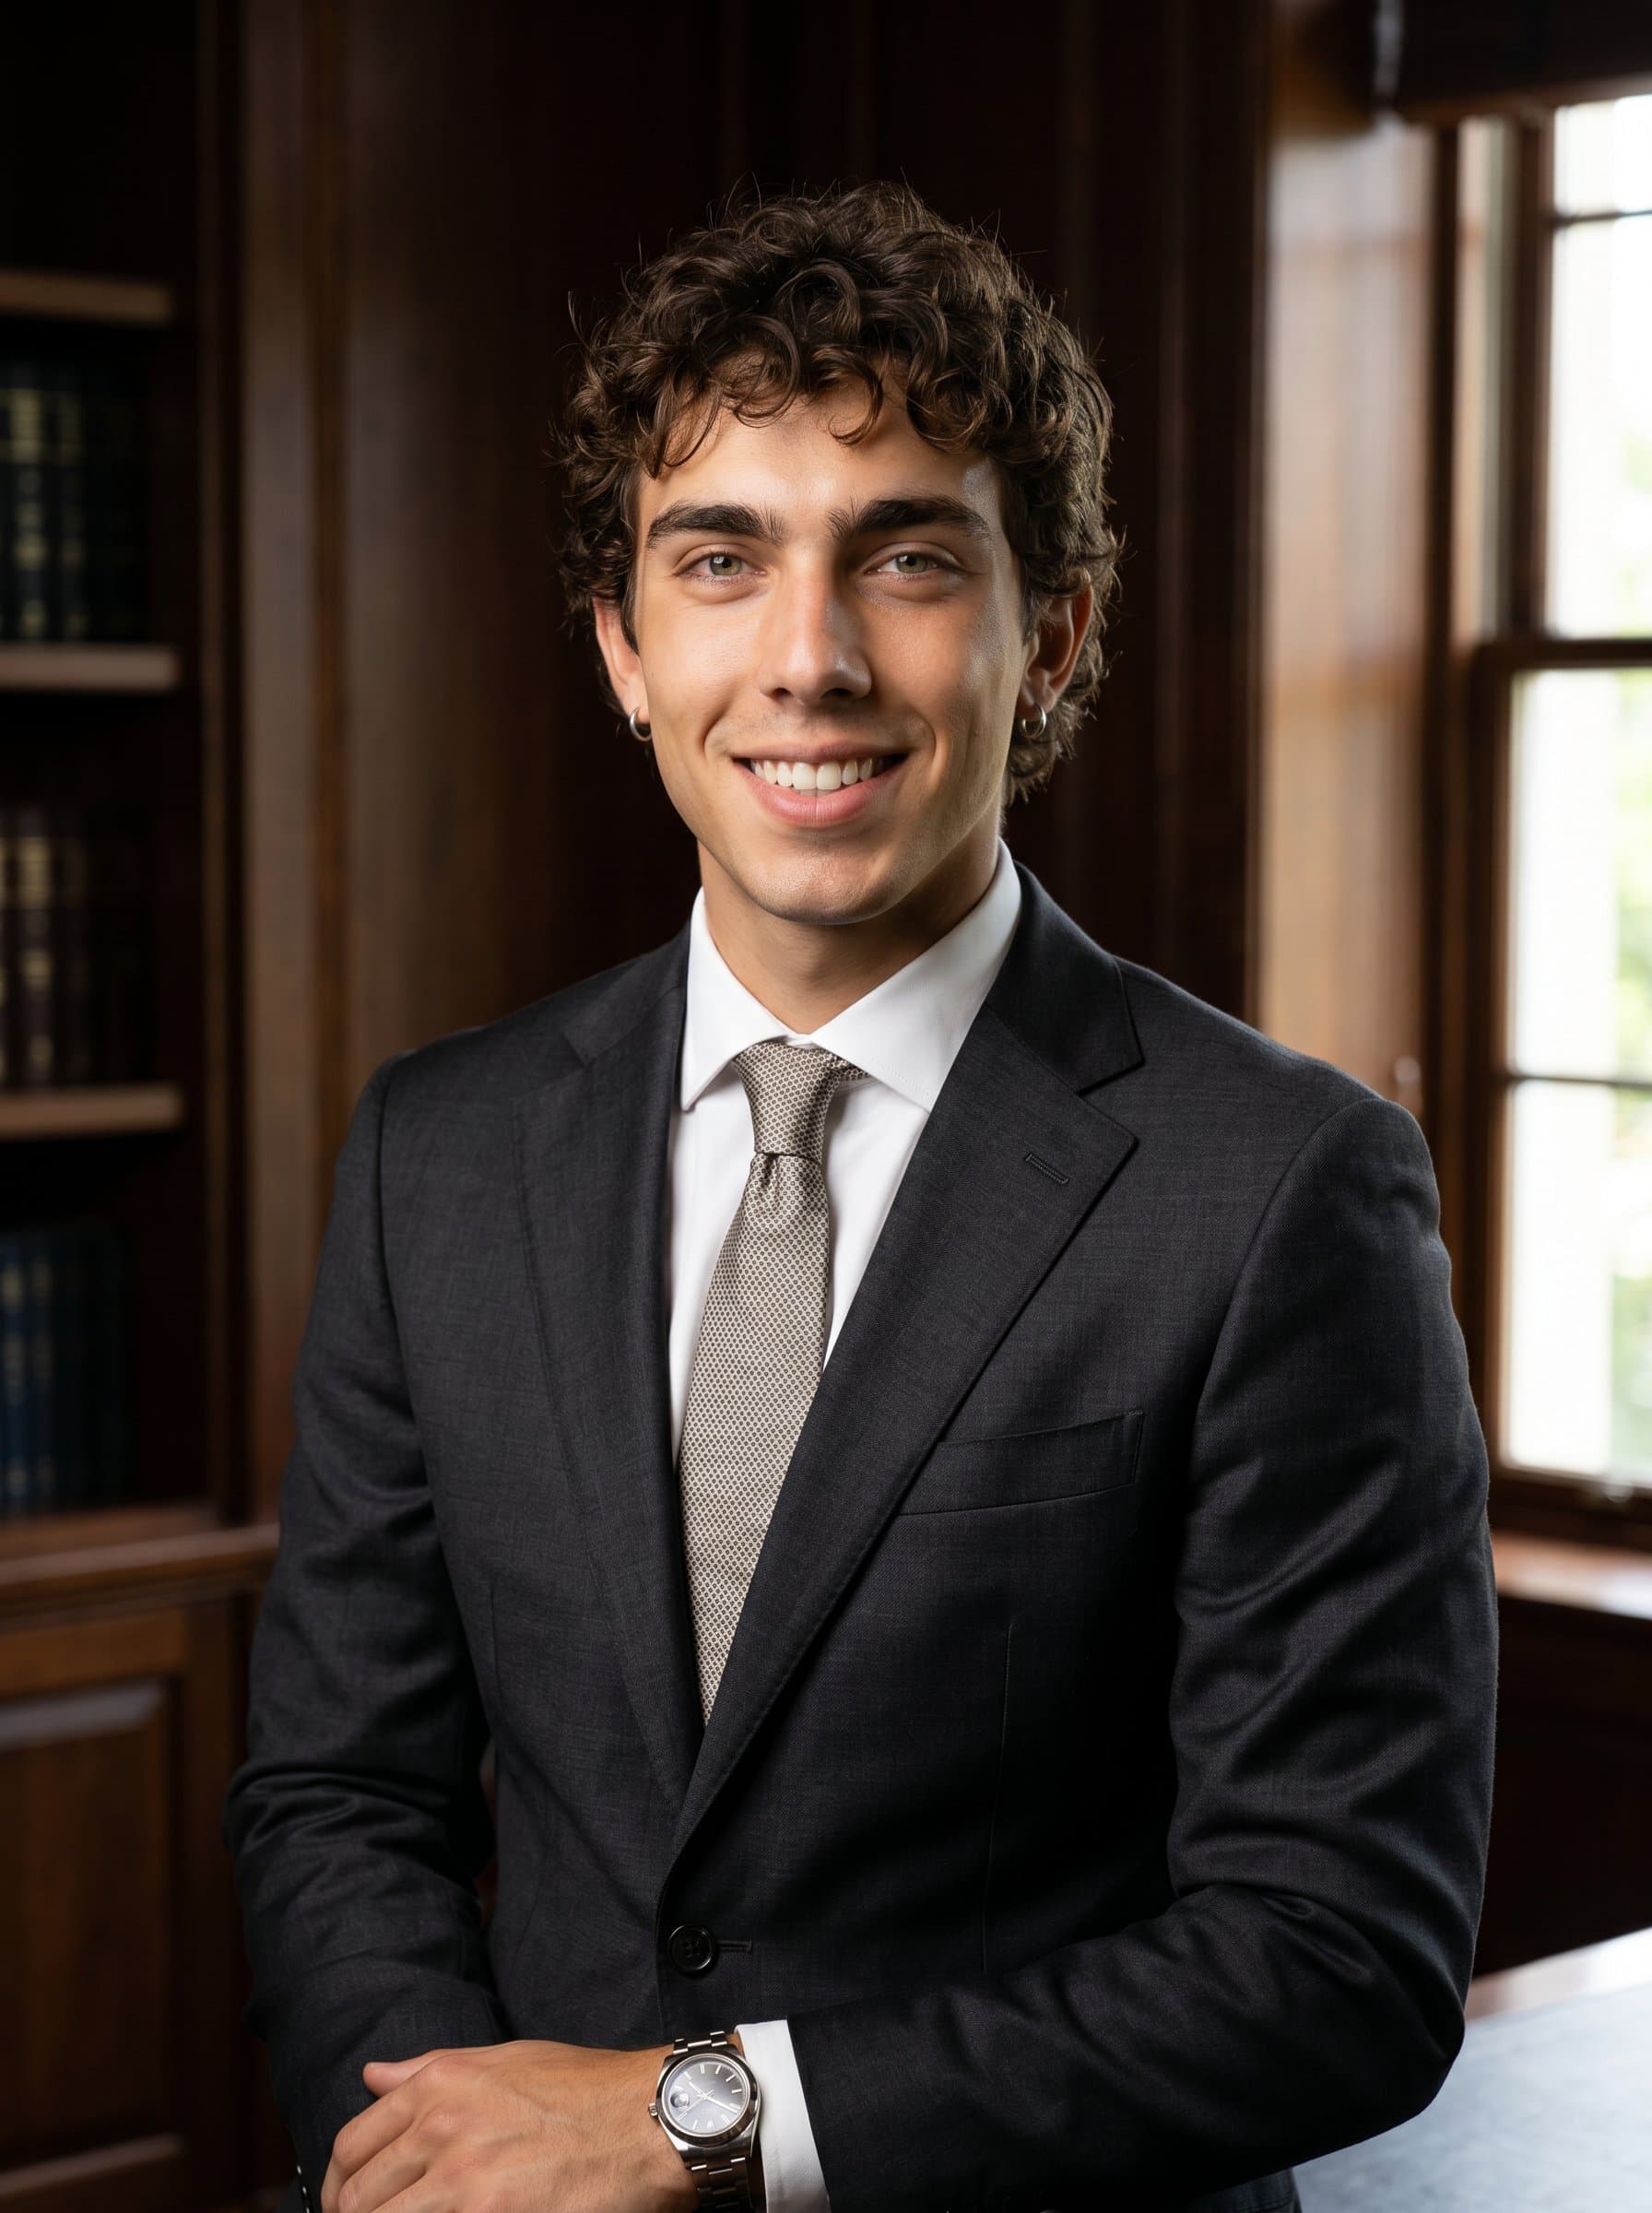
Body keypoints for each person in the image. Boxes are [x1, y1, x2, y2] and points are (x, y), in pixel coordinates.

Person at [222, 181, 1498, 2213]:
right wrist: (440, 2160)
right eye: (716, 561)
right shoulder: (435, 1156)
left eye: (904, 558)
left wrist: (685, 2124)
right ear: (625, 652)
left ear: (1047, 630)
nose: (804, 660)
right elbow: (336, 1792)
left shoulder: (1280, 1190)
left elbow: (1330, 1957)